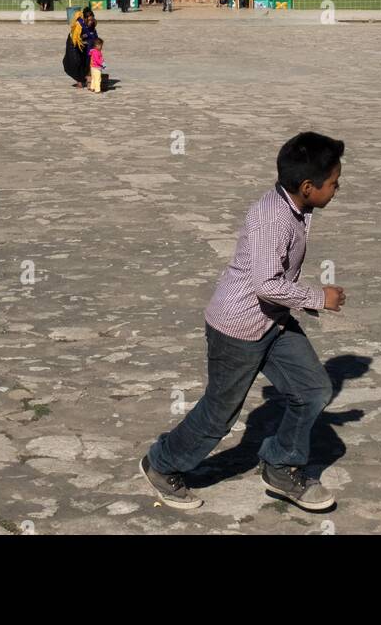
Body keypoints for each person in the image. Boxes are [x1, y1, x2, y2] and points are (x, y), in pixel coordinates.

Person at [140, 131, 345, 512]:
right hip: (237, 328)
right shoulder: (273, 218)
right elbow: (267, 284)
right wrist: (319, 297)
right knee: (220, 413)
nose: (338, 188)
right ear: (306, 186)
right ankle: (162, 463)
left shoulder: (297, 208)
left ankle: (282, 466)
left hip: (274, 322)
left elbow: (275, 286)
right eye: (333, 183)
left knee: (313, 389)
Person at [62, 7, 98, 88]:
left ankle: (83, 80)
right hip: (74, 44)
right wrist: (83, 40)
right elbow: (75, 39)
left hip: (85, 45)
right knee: (75, 62)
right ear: (85, 19)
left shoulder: (93, 24)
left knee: (86, 62)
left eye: (92, 20)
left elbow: (94, 36)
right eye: (89, 20)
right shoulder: (79, 25)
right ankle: (79, 80)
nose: (91, 22)